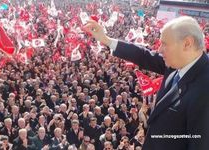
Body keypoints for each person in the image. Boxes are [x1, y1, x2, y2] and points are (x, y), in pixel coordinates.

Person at [84, 16, 209, 150]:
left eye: (165, 44)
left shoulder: (205, 89)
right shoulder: (178, 63)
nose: (160, 49)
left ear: (187, 43)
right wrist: (106, 40)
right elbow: (144, 55)